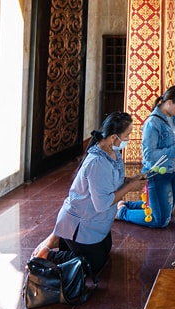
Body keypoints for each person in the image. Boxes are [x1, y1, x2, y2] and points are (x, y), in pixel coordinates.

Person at [31, 112, 145, 275]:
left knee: (106, 250)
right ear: (114, 138)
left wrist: (130, 180)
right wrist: (130, 188)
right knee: (92, 266)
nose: (128, 139)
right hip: (82, 221)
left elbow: (113, 179)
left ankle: (60, 238)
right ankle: (48, 254)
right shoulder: (97, 162)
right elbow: (102, 204)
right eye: (127, 135)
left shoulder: (112, 152)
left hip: (95, 221)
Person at [116, 84, 175, 228]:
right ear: (169, 102)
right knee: (161, 220)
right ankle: (122, 212)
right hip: (157, 173)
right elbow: (149, 156)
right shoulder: (152, 123)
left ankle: (127, 204)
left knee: (169, 211)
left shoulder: (172, 117)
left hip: (171, 171)